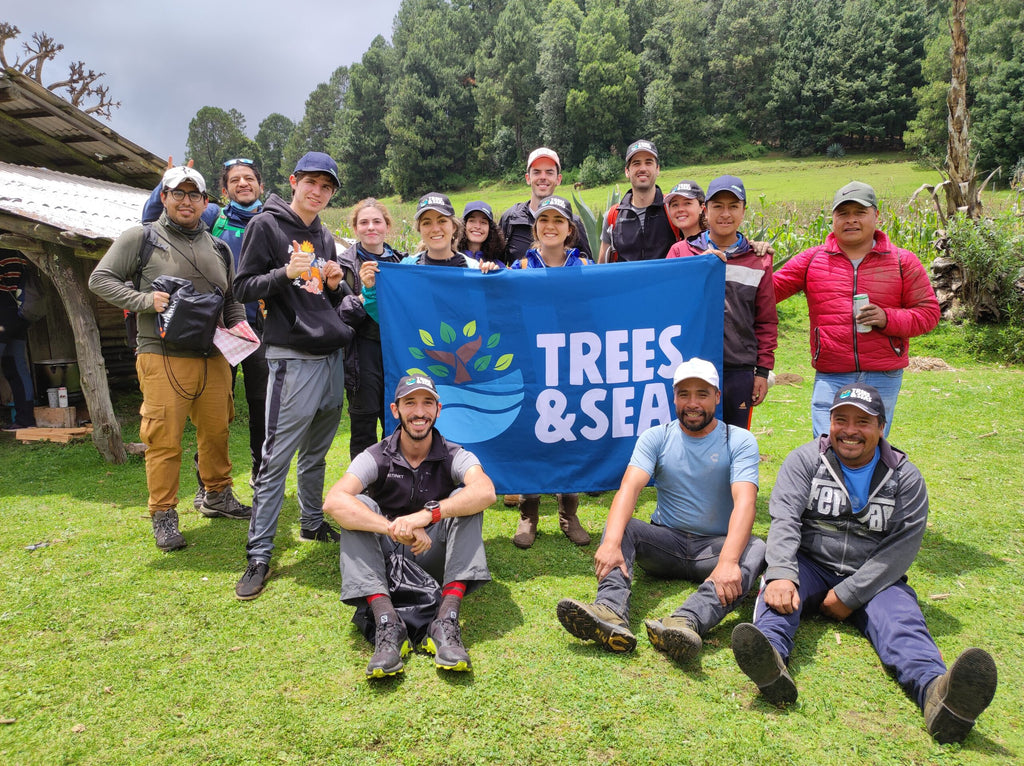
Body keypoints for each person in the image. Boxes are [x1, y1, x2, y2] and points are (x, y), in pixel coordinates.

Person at [731, 384, 997, 745]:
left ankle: (940, 696)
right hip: (809, 563)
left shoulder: (905, 477)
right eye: (841, 420)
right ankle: (771, 663)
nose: (850, 430)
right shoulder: (805, 460)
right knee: (778, 599)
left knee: (902, 624)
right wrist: (779, 572)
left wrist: (850, 593)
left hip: (873, 576)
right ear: (830, 423)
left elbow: (900, 548)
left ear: (881, 427)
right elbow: (785, 520)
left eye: (863, 421)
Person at [556, 358, 766, 664]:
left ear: (718, 397)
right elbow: (629, 488)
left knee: (756, 548)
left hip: (714, 551)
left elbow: (745, 502)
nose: (692, 403)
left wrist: (729, 561)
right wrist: (612, 544)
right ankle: (610, 611)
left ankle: (685, 621)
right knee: (622, 527)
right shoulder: (657, 436)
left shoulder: (739, 440)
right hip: (665, 544)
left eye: (702, 394)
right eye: (684, 394)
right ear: (674, 397)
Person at [89, 166, 251, 551]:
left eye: (195, 195)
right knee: (163, 438)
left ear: (206, 202)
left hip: (213, 355)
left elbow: (231, 300)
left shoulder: (219, 247)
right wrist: (145, 300)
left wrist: (240, 329)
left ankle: (217, 495)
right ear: (163, 197)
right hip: (161, 354)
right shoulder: (141, 238)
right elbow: (101, 279)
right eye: (178, 193)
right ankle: (163, 513)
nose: (186, 201)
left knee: (217, 430)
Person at [232, 151, 353, 600]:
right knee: (275, 458)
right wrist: (284, 273)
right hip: (291, 358)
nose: (317, 192)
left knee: (317, 453)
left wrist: (336, 280)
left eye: (327, 187)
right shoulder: (265, 225)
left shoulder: (322, 232)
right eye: (311, 183)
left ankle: (311, 522)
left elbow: (319, 293)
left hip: (330, 357)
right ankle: (259, 555)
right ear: (294, 180)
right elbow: (242, 287)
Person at [324, 374, 495, 677]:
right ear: (395, 410)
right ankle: (387, 624)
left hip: (436, 555)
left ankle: (446, 619)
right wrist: (392, 527)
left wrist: (427, 516)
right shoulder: (376, 455)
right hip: (388, 561)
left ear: (438, 410)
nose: (419, 412)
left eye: (427, 403)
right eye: (410, 403)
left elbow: (486, 490)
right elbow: (333, 501)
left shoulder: (454, 453)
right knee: (357, 505)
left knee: (465, 500)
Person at [144, 157, 270, 501]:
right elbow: (152, 221)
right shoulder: (213, 218)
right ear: (223, 190)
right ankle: (207, 484)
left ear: (260, 184)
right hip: (212, 331)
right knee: (214, 411)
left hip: (255, 329)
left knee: (260, 405)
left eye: (249, 178)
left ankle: (260, 474)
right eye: (235, 180)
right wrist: (164, 183)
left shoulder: (271, 219)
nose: (243, 184)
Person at [773, 181, 940, 437]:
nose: (850, 220)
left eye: (859, 213)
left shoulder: (901, 261)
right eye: (843, 213)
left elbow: (928, 314)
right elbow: (766, 292)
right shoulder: (811, 260)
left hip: (883, 373)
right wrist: (751, 255)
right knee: (827, 443)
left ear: (876, 216)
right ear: (833, 219)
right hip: (832, 373)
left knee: (869, 443)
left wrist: (887, 318)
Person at [508, 195, 592, 549]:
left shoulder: (584, 266)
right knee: (532, 435)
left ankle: (568, 512)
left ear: (569, 229)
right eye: (544, 220)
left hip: (573, 363)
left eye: (558, 220)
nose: (551, 226)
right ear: (535, 229)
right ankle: (529, 513)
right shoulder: (520, 269)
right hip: (532, 364)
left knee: (569, 434)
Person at [667, 176, 778, 430]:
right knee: (690, 442)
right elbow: (670, 306)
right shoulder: (681, 252)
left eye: (733, 206)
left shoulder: (758, 259)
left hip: (739, 371)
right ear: (706, 210)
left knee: (734, 444)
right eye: (718, 206)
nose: (725, 214)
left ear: (743, 211)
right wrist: (699, 269)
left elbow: (766, 321)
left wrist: (761, 372)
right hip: (691, 366)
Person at [338, 198, 404, 460]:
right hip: (361, 354)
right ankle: (363, 490)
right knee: (364, 426)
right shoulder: (343, 265)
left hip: (396, 352)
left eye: (377, 221)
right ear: (355, 228)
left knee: (398, 421)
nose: (371, 227)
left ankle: (398, 482)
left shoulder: (403, 263)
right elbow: (337, 315)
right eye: (363, 222)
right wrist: (363, 298)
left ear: (387, 226)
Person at [499, 148, 593, 263]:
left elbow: (587, 270)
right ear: (528, 178)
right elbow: (498, 266)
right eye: (537, 172)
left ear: (558, 179)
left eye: (549, 172)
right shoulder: (510, 219)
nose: (543, 177)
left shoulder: (573, 222)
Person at [597, 140, 678, 263]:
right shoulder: (613, 216)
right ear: (627, 171)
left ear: (657, 169)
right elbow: (602, 267)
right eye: (636, 163)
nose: (643, 168)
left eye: (648, 162)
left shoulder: (672, 209)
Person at [0, 250, 37, 430]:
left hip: (2, 314)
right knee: (16, 367)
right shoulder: (17, 251)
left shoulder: (2, 251)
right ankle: (25, 419)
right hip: (19, 315)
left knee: (15, 368)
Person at [458, 201, 508, 267]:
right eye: (472, 221)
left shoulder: (498, 266)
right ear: (463, 225)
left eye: (483, 222)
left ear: (490, 229)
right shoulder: (451, 259)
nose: (478, 226)